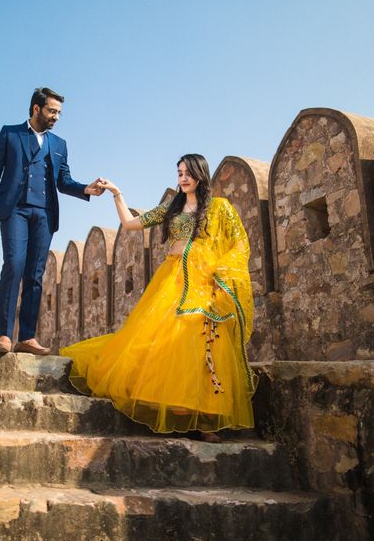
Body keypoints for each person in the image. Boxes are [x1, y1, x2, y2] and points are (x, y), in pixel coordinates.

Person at [59, 154, 256, 441]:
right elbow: (130, 224)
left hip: (205, 281)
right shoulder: (172, 208)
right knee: (161, 339)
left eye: (188, 173)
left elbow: (240, 243)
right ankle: (173, 407)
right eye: (179, 173)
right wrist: (117, 193)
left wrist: (222, 270)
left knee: (203, 341)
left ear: (201, 174)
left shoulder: (220, 208)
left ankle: (205, 421)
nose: (183, 178)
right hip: (172, 281)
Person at [0, 87, 105, 355]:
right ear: (36, 109)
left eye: (59, 112)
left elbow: (63, 181)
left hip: (45, 214)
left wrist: (86, 189)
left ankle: (27, 338)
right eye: (52, 111)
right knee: (13, 265)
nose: (56, 117)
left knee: (35, 275)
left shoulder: (59, 144)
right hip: (14, 210)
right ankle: (3, 334)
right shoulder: (9, 134)